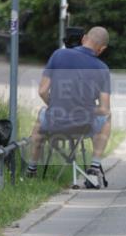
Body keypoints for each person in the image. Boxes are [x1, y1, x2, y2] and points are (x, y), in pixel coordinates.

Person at [26, 26, 111, 189]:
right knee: (107, 118)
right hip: (83, 126)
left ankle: (31, 168)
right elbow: (104, 109)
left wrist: (59, 106)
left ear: (84, 38)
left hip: (54, 124)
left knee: (40, 117)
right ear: (102, 49)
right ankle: (94, 167)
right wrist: (85, 110)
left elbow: (42, 91)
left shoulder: (58, 55)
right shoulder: (102, 69)